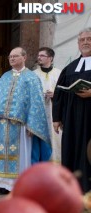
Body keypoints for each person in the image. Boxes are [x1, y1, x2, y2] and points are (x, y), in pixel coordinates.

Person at [0, 47, 52, 195]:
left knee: (22, 154)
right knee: (3, 154)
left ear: (24, 57)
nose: (12, 59)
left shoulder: (32, 78)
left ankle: (21, 184)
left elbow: (37, 103)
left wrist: (32, 125)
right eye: (10, 57)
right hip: (3, 124)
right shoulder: (5, 77)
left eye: (15, 56)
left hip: (22, 125)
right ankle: (5, 184)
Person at [53, 28, 91, 193]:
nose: (85, 42)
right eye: (82, 40)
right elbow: (59, 93)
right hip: (72, 118)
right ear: (78, 43)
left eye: (89, 39)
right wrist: (57, 117)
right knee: (72, 149)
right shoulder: (69, 68)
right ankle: (72, 188)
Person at [33, 47, 62, 163]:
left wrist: (55, 95)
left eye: (42, 55)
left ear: (50, 58)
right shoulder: (33, 74)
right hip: (39, 114)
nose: (39, 57)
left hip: (55, 113)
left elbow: (65, 93)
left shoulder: (59, 73)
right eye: (38, 55)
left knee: (56, 141)